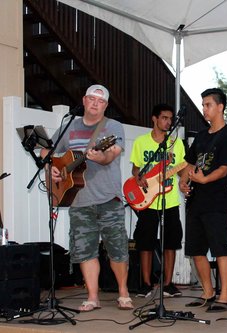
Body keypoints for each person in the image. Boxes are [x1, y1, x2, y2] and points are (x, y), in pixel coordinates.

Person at [42, 85, 133, 311]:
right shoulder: (68, 126)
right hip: (78, 199)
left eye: (100, 101)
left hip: (108, 197)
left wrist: (100, 155)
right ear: (83, 100)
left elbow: (110, 155)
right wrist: (53, 166)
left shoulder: (113, 127)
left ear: (106, 105)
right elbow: (47, 151)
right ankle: (93, 296)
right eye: (91, 99)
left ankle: (123, 292)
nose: (95, 103)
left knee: (117, 248)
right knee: (85, 250)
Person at [179, 88, 227, 312]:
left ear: (220, 107)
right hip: (196, 202)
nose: (204, 109)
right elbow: (190, 164)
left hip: (217, 201)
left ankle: (225, 297)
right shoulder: (202, 136)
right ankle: (208, 292)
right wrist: (183, 182)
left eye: (208, 105)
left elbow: (224, 170)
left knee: (220, 249)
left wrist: (205, 180)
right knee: (196, 249)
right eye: (203, 105)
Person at [130, 103, 185, 298]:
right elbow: (135, 169)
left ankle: (168, 284)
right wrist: (139, 177)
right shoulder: (141, 142)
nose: (168, 122)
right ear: (154, 118)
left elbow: (183, 167)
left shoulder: (176, 143)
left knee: (171, 242)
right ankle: (145, 284)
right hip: (147, 199)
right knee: (145, 242)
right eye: (164, 118)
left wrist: (183, 182)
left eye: (171, 119)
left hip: (169, 200)